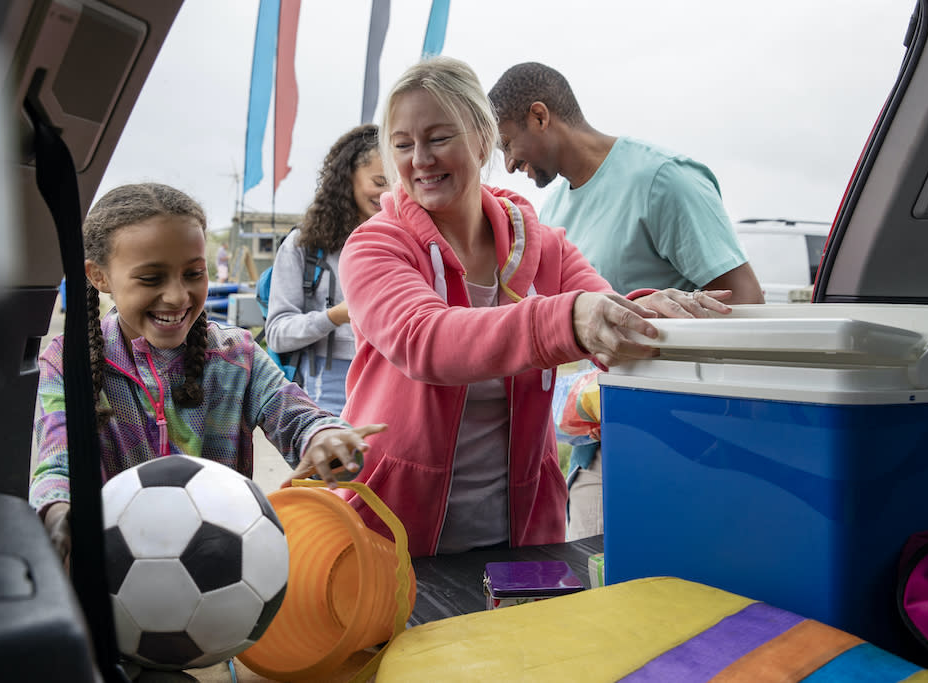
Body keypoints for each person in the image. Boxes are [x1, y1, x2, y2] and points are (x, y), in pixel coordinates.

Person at [333, 56, 732, 558]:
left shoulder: (544, 245)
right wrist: (567, 318)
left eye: (438, 139)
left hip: (522, 535)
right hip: (393, 536)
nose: (421, 160)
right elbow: (425, 341)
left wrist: (650, 312)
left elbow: (602, 313)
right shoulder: (375, 247)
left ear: (481, 140)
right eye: (403, 146)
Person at [29, 183, 384, 563]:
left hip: (223, 571)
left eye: (194, 273)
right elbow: (57, 461)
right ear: (99, 277)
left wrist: (326, 438)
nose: (178, 296)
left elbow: (296, 415)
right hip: (111, 576)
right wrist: (58, 512)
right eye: (151, 278)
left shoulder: (238, 357)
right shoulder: (67, 363)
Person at [489, 62, 765, 540]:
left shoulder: (662, 180)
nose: (509, 165)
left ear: (540, 116)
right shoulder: (553, 211)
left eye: (508, 144)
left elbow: (745, 302)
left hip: (681, 442)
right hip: (594, 446)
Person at [264, 124, 387, 415]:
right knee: (336, 461)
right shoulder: (303, 245)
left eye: (399, 182)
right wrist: (334, 316)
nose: (389, 194)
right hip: (327, 393)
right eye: (380, 181)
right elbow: (278, 333)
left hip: (391, 382)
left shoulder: (408, 240)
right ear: (347, 179)